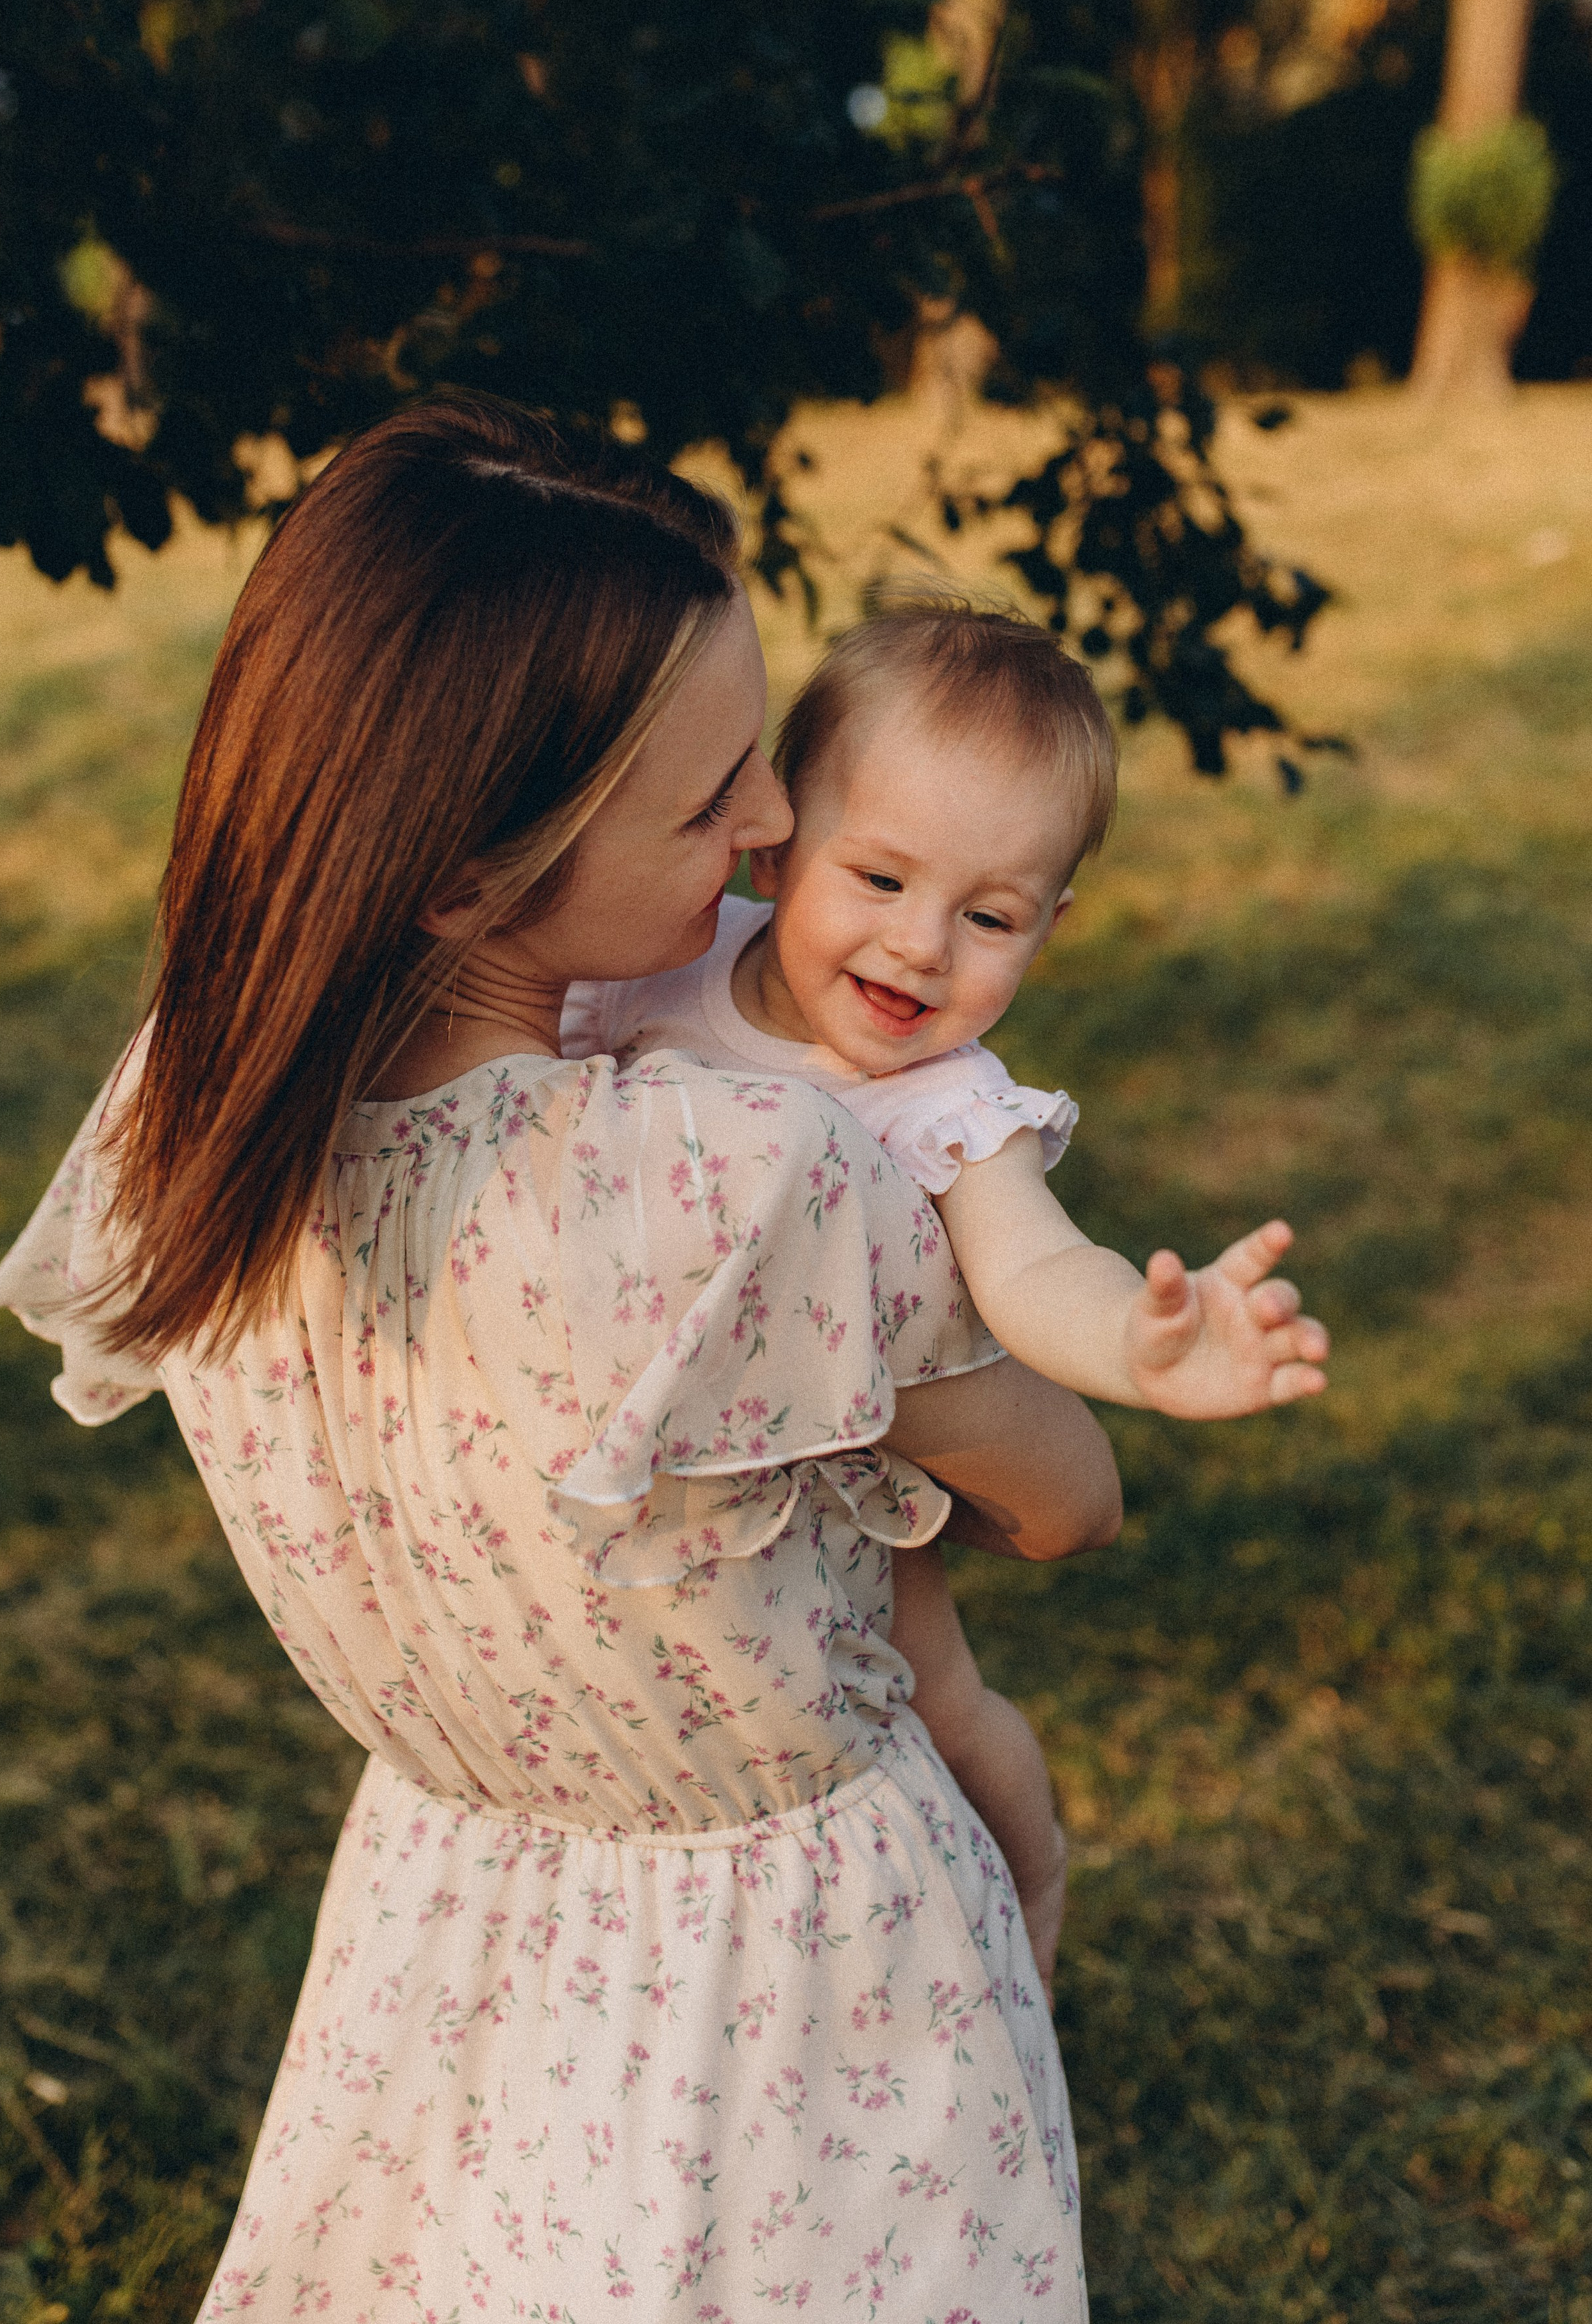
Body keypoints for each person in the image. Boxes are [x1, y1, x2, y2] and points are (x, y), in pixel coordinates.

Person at [0, 398, 1128, 2322]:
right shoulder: (731, 1183)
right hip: (796, 1981)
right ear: (462, 873)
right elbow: (1068, 1498)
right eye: (707, 806)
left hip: (451, 1924)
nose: (775, 823)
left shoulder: (185, 1114)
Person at [562, 600, 1330, 1994]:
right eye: (877, 880)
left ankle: (1026, 1884)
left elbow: (1032, 1265)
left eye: (986, 917)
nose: (920, 947)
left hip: (838, 1477)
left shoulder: (945, 1104)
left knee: (932, 1700)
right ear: (777, 834)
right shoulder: (652, 970)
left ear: (1047, 926)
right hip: (650, 1460)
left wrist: (1139, 1351)